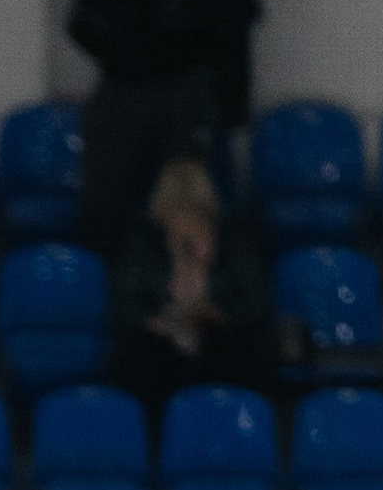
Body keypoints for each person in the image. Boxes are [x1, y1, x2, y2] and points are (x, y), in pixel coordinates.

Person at [66, 0, 263, 251]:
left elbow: (244, 11)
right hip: (122, 92)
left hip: (184, 93)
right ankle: (115, 295)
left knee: (185, 203)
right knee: (105, 203)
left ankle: (185, 293)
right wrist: (122, 52)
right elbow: (80, 21)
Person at [107, 154, 276, 410]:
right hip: (161, 338)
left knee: (239, 352)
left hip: (218, 334)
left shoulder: (234, 241)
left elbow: (254, 300)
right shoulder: (144, 242)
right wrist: (158, 321)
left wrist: (213, 311)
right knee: (138, 357)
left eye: (193, 212)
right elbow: (126, 300)